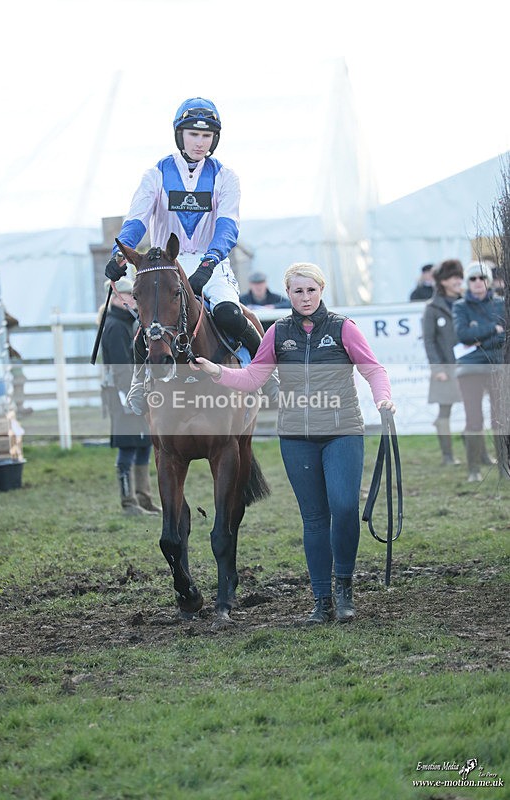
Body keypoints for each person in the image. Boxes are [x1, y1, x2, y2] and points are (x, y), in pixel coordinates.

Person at [190, 261, 395, 624]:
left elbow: (373, 369)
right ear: (288, 294)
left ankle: (345, 589)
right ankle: (322, 600)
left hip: (342, 430)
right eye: (298, 291)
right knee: (314, 518)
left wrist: (383, 399)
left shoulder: (344, 328)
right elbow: (254, 376)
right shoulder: (277, 332)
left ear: (321, 291)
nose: (305, 297)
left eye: (311, 290)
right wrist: (217, 371)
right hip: (297, 437)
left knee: (345, 507)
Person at [104, 97, 266, 414]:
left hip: (212, 264)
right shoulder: (155, 175)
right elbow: (136, 221)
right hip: (166, 264)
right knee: (149, 327)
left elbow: (228, 227)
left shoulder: (226, 177)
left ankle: (261, 377)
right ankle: (140, 382)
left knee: (231, 315)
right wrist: (119, 256)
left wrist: (208, 264)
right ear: (180, 135)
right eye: (193, 134)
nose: (200, 142)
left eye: (206, 136)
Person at [100, 278, 161, 516]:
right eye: (129, 296)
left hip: (136, 393)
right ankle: (129, 502)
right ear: (116, 298)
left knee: (143, 443)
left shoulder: (129, 323)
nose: (134, 300)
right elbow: (121, 369)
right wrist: (136, 394)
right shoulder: (115, 326)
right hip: (125, 396)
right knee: (128, 446)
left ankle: (143, 498)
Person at [452, 261, 506, 481]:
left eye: (482, 278)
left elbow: (505, 337)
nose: (477, 282)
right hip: (470, 368)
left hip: (497, 366)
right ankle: (473, 469)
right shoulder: (460, 307)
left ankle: (505, 466)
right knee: (474, 420)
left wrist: (480, 337)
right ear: (467, 282)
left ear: (489, 281)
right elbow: (463, 335)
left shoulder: (501, 304)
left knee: (501, 418)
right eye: (472, 279)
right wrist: (493, 329)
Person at [422, 259, 464, 465]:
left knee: (474, 410)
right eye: (452, 277)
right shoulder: (432, 308)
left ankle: (480, 453)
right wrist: (437, 368)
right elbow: (429, 341)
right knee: (444, 411)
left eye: (459, 276)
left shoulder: (467, 302)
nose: (458, 281)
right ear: (443, 281)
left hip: (470, 365)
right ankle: (448, 456)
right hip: (445, 368)